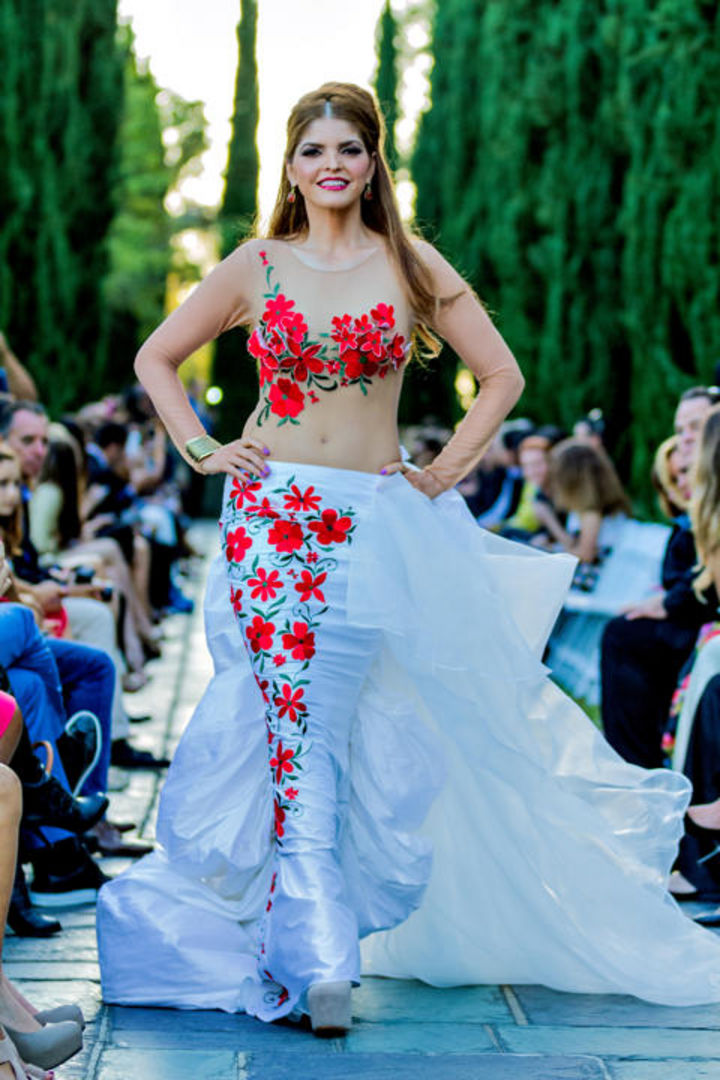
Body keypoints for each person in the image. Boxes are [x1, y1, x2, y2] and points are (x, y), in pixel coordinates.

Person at [98, 81, 720, 1034]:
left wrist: (441, 473)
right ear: (291, 167)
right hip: (270, 516)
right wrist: (201, 449)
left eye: (349, 148)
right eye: (313, 150)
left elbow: (502, 374)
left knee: (336, 719)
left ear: (372, 162)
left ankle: (305, 932)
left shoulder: (408, 262)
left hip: (371, 523)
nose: (332, 165)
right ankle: (316, 951)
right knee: (295, 724)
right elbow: (156, 357)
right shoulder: (256, 264)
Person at [601, 387, 718, 768]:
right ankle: (634, 761)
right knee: (626, 631)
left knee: (628, 636)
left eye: (696, 427)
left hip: (704, 618)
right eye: (680, 429)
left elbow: (706, 582)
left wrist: (667, 603)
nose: (686, 438)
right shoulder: (694, 510)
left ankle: (640, 763)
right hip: (698, 613)